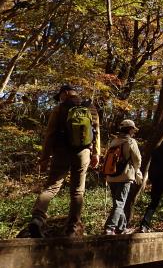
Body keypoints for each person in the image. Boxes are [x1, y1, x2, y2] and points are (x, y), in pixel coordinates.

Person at [28, 85, 100, 238]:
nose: (59, 99)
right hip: (83, 153)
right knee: (78, 191)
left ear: (65, 93)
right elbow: (96, 131)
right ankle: (72, 228)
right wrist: (96, 153)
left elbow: (50, 134)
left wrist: (44, 158)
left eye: (60, 96)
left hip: (61, 151)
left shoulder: (60, 108)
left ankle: (37, 219)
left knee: (51, 188)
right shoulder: (90, 107)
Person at [103, 119, 143, 235]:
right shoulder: (131, 142)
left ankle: (122, 228)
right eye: (133, 130)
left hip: (111, 176)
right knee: (120, 203)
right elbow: (137, 159)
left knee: (117, 204)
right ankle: (109, 228)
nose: (134, 132)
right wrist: (137, 171)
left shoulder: (114, 141)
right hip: (124, 176)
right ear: (130, 130)